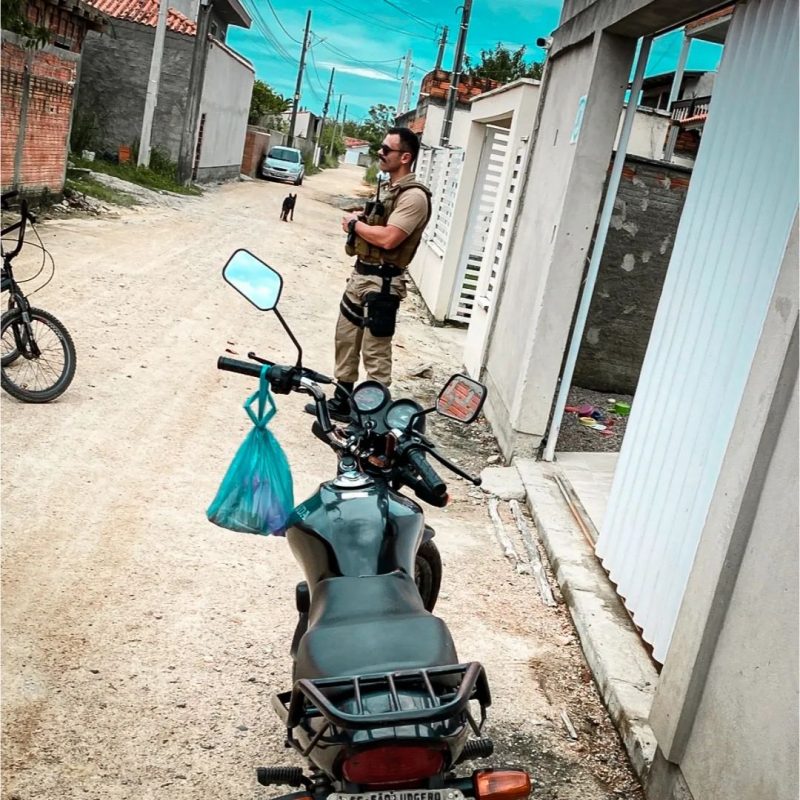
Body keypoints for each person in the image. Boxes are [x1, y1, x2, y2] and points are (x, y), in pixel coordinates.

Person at [320, 127, 432, 421]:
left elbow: (389, 238)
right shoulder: (390, 190)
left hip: (383, 283)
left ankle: (373, 416)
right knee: (345, 339)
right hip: (361, 275)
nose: (380, 153)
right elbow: (378, 223)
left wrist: (355, 226)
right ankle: (342, 402)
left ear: (405, 157)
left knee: (375, 352)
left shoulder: (414, 197)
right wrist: (360, 217)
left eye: (387, 150)